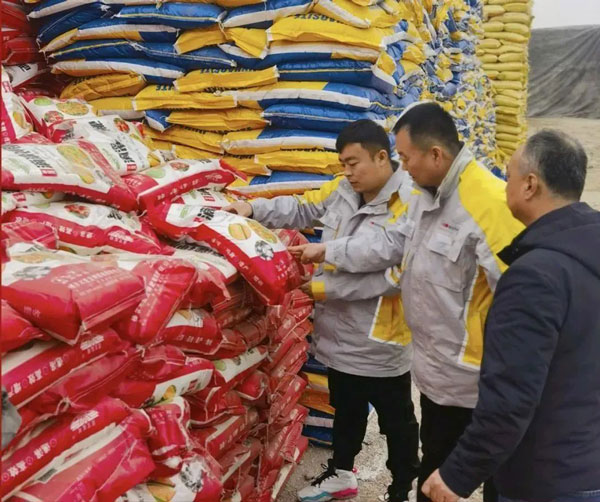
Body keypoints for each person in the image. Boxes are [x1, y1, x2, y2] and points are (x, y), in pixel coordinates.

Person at [290, 103, 524, 502]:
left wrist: (510, 378)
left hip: (472, 378)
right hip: (436, 372)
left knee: (487, 473)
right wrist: (329, 251)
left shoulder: (486, 202)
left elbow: (521, 300)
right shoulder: (423, 195)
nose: (402, 167)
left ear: (435, 154)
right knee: (434, 468)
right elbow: (391, 243)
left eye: (405, 157)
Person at [225, 120, 420, 502]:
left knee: (396, 419)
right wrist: (251, 208)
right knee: (346, 407)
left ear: (382, 157)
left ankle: (402, 488)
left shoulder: (411, 202)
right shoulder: (344, 189)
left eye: (354, 163)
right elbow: (303, 207)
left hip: (381, 337)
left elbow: (388, 266)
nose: (348, 172)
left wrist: (323, 275)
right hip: (339, 330)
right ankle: (341, 473)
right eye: (343, 164)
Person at [422, 130, 600, 502]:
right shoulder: (586, 247)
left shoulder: (535, 276)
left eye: (508, 176)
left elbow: (510, 398)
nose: (505, 186)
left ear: (530, 185)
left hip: (548, 478)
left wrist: (457, 474)